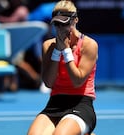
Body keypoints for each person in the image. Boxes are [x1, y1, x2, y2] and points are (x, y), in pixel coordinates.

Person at [27, 0, 98, 135]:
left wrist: (66, 52)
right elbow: (49, 82)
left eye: (65, 23)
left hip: (81, 105)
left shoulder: (89, 45)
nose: (61, 28)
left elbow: (77, 81)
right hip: (55, 104)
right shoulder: (48, 46)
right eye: (57, 24)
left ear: (75, 20)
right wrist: (57, 52)